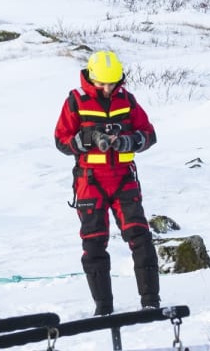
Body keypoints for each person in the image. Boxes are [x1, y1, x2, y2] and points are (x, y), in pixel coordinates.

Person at [55, 50, 160, 316]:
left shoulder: (127, 100)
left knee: (141, 238)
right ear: (91, 77)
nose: (107, 88)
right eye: (102, 83)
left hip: (124, 178)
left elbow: (149, 134)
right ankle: (103, 308)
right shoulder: (75, 102)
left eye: (112, 83)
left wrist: (128, 140)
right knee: (93, 244)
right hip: (90, 182)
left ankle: (151, 301)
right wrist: (87, 138)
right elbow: (61, 141)